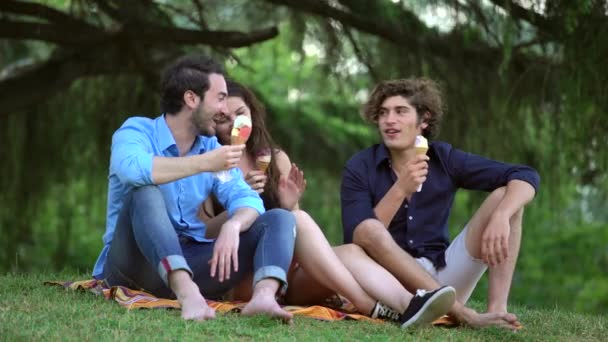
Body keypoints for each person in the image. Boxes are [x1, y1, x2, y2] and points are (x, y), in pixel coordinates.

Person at [198, 80, 457, 329]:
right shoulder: (209, 164)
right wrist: (240, 204)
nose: (234, 124)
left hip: (287, 275)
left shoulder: (275, 159)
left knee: (349, 251)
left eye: (240, 114)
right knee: (298, 220)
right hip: (242, 273)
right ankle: (367, 304)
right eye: (224, 119)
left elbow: (295, 235)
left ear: (252, 113)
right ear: (212, 123)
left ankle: (409, 305)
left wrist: (288, 206)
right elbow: (200, 233)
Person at [91, 55, 298, 322]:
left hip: (193, 262)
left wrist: (233, 226)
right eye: (220, 98)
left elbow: (246, 198)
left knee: (278, 217)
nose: (225, 110)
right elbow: (133, 170)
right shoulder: (136, 131)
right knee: (144, 191)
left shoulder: (211, 148)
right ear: (191, 99)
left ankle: (264, 298)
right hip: (132, 264)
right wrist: (203, 164)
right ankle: (188, 296)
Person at [341, 78, 540, 329]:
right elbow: (357, 240)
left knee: (507, 197)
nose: (389, 120)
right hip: (387, 282)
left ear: (424, 120)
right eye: (383, 113)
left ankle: (497, 311)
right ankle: (460, 314)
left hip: (444, 280)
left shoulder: (443, 158)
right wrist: (400, 188)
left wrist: (501, 216)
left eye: (400, 112)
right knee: (367, 229)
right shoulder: (360, 166)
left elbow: (525, 175)